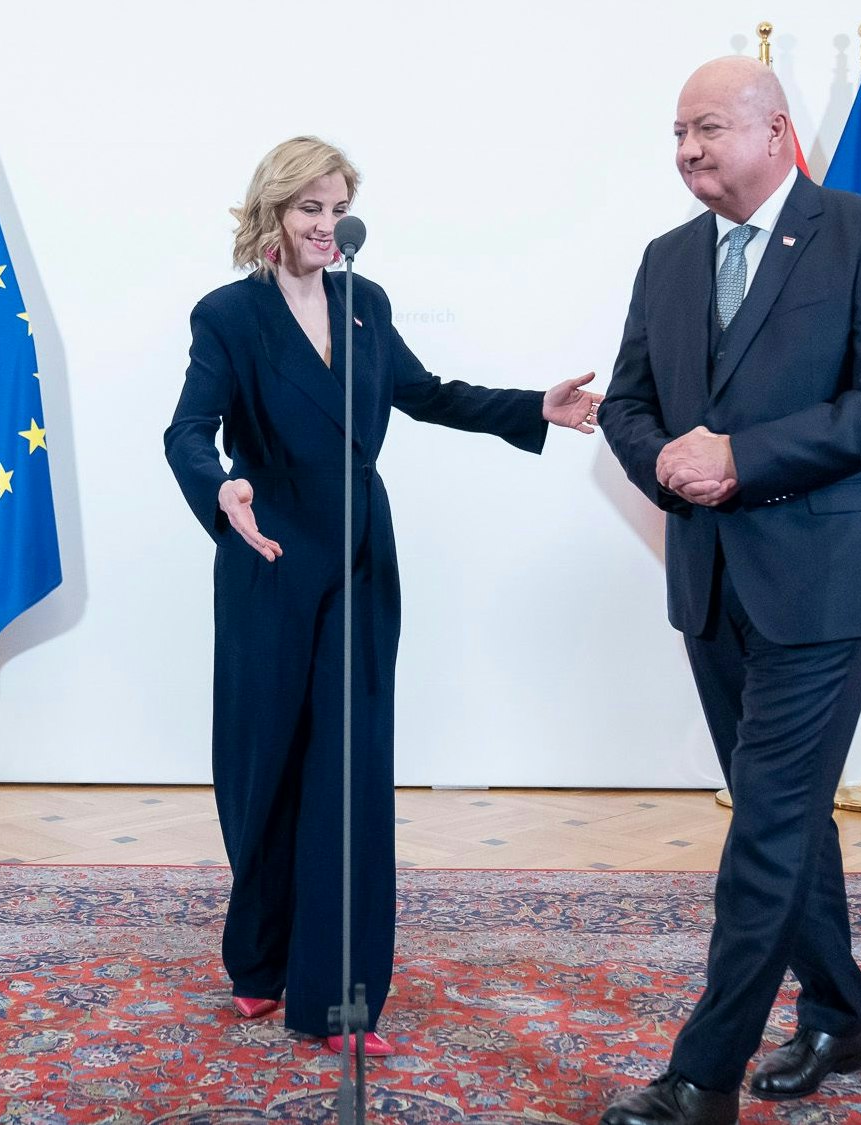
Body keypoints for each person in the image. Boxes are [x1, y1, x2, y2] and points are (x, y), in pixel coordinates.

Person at [164, 137, 601, 1056]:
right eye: (310, 208)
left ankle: (338, 999)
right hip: (268, 554)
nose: (328, 225)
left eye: (339, 209)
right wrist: (221, 488)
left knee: (349, 778)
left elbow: (425, 393)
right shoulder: (228, 315)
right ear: (273, 211)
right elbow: (187, 430)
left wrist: (533, 407)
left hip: (361, 557)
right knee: (261, 768)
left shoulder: (367, 303)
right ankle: (259, 958)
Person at [597, 57, 861, 1125]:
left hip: (827, 584)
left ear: (776, 131)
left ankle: (702, 1076)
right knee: (779, 813)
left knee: (769, 823)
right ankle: (835, 1017)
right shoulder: (666, 259)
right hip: (710, 582)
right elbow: (627, 402)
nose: (687, 150)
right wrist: (667, 462)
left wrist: (741, 457)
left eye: (706, 128)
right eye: (677, 132)